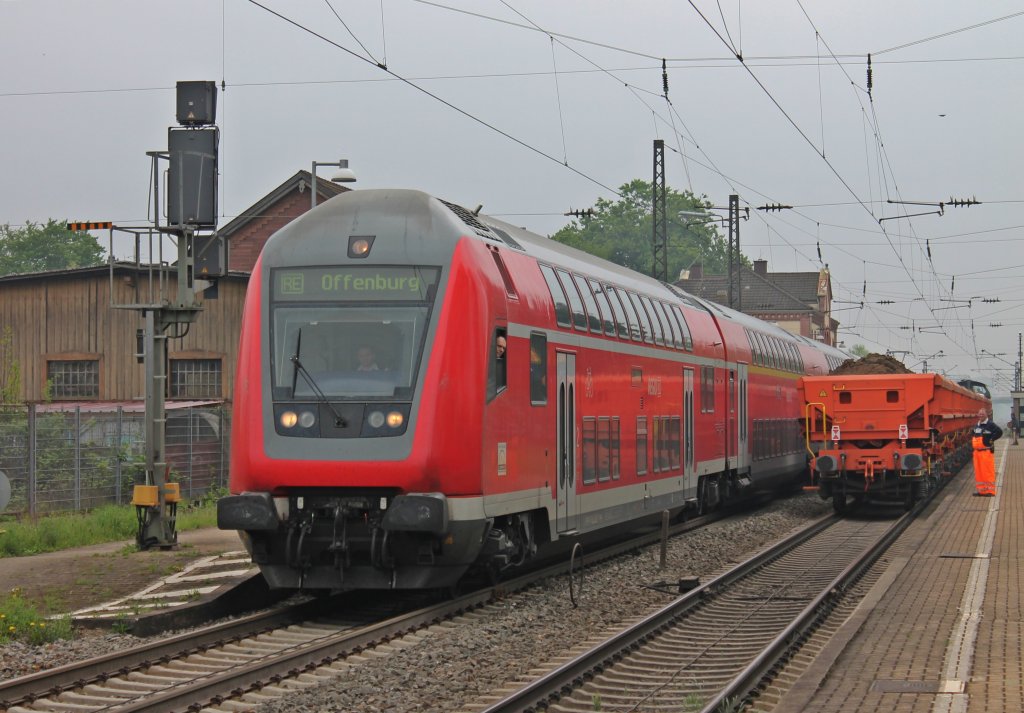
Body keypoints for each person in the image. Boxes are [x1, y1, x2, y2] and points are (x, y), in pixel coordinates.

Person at [971, 408, 1002, 496]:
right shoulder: (977, 425)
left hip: (986, 452)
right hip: (977, 453)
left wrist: (991, 440)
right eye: (979, 414)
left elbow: (999, 432)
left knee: (987, 472)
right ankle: (981, 491)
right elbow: (974, 434)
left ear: (986, 415)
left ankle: (990, 491)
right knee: (979, 472)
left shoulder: (990, 424)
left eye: (983, 414)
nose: (981, 415)